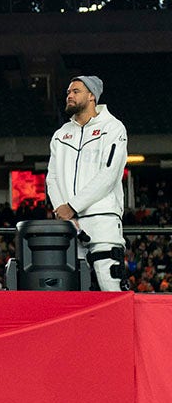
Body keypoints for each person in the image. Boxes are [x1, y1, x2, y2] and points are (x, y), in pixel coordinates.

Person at [46, 75, 128, 291]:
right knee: (75, 293)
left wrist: (72, 206)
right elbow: (51, 178)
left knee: (111, 286)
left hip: (103, 221)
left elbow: (109, 174)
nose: (69, 96)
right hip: (70, 225)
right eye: (68, 92)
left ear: (92, 96)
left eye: (76, 91)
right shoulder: (61, 134)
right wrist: (62, 209)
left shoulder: (113, 127)